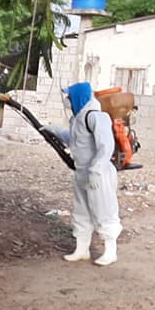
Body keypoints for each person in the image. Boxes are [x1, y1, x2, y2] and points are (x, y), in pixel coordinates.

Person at [44, 82, 121, 266]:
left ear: (79, 97)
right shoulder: (77, 119)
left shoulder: (96, 117)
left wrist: (97, 169)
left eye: (70, 97)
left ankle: (110, 251)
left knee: (104, 210)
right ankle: (81, 249)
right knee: (82, 211)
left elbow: (106, 146)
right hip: (82, 172)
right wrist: (56, 131)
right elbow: (76, 141)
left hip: (98, 174)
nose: (68, 101)